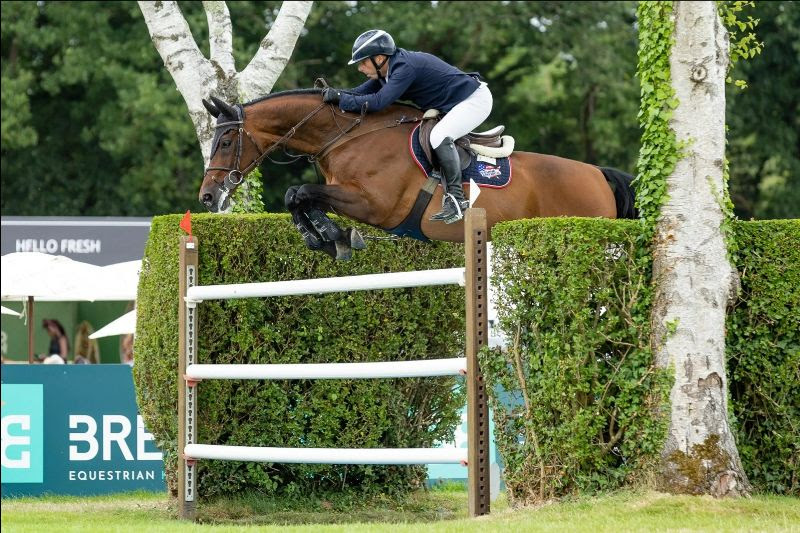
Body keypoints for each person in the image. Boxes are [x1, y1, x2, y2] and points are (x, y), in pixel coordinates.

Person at [322, 29, 493, 223]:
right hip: (453, 103)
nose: (360, 68)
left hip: (474, 101)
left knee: (439, 136)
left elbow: (378, 102)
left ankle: (456, 199)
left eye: (363, 62)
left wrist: (339, 98)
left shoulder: (404, 68)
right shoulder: (388, 69)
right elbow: (356, 94)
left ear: (379, 58)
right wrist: (330, 98)